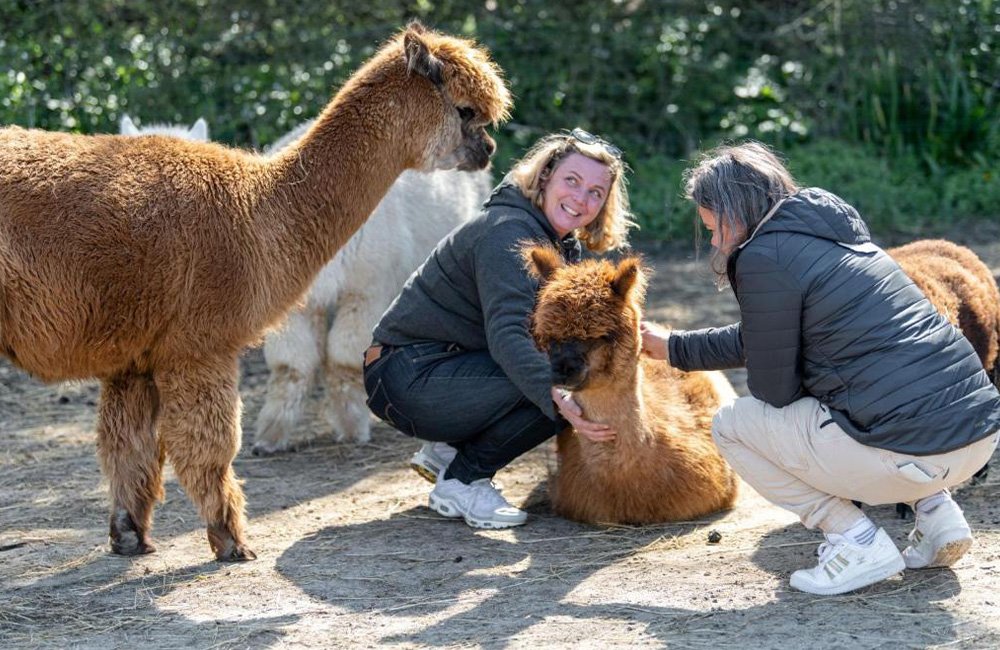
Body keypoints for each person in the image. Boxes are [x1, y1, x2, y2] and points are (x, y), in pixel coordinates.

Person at [641, 142, 1000, 596]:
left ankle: (855, 539)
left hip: (914, 454)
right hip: (977, 437)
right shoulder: (837, 239)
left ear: (735, 211)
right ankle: (939, 517)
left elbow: (774, 389)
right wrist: (673, 347)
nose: (713, 242)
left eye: (713, 228)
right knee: (885, 395)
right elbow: (763, 336)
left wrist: (798, 371)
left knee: (734, 424)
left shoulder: (762, 257)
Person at [363, 129, 634, 529]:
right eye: (572, 181)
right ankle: (465, 478)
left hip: (431, 367)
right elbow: (509, 334)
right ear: (544, 178)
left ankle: (449, 451)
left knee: (561, 373)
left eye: (596, 192)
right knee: (565, 384)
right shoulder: (508, 233)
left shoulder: (554, 241)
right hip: (407, 375)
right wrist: (559, 399)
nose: (581, 198)